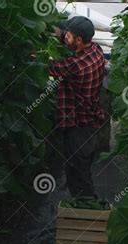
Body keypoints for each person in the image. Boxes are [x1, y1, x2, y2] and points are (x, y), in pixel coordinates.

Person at [48, 16, 106, 201]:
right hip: (90, 123)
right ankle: (84, 208)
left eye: (69, 36)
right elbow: (72, 44)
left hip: (79, 125)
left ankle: (87, 212)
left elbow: (49, 67)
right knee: (80, 168)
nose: (65, 38)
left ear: (79, 39)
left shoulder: (76, 66)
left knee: (78, 173)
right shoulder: (96, 50)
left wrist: (31, 54)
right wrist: (61, 33)